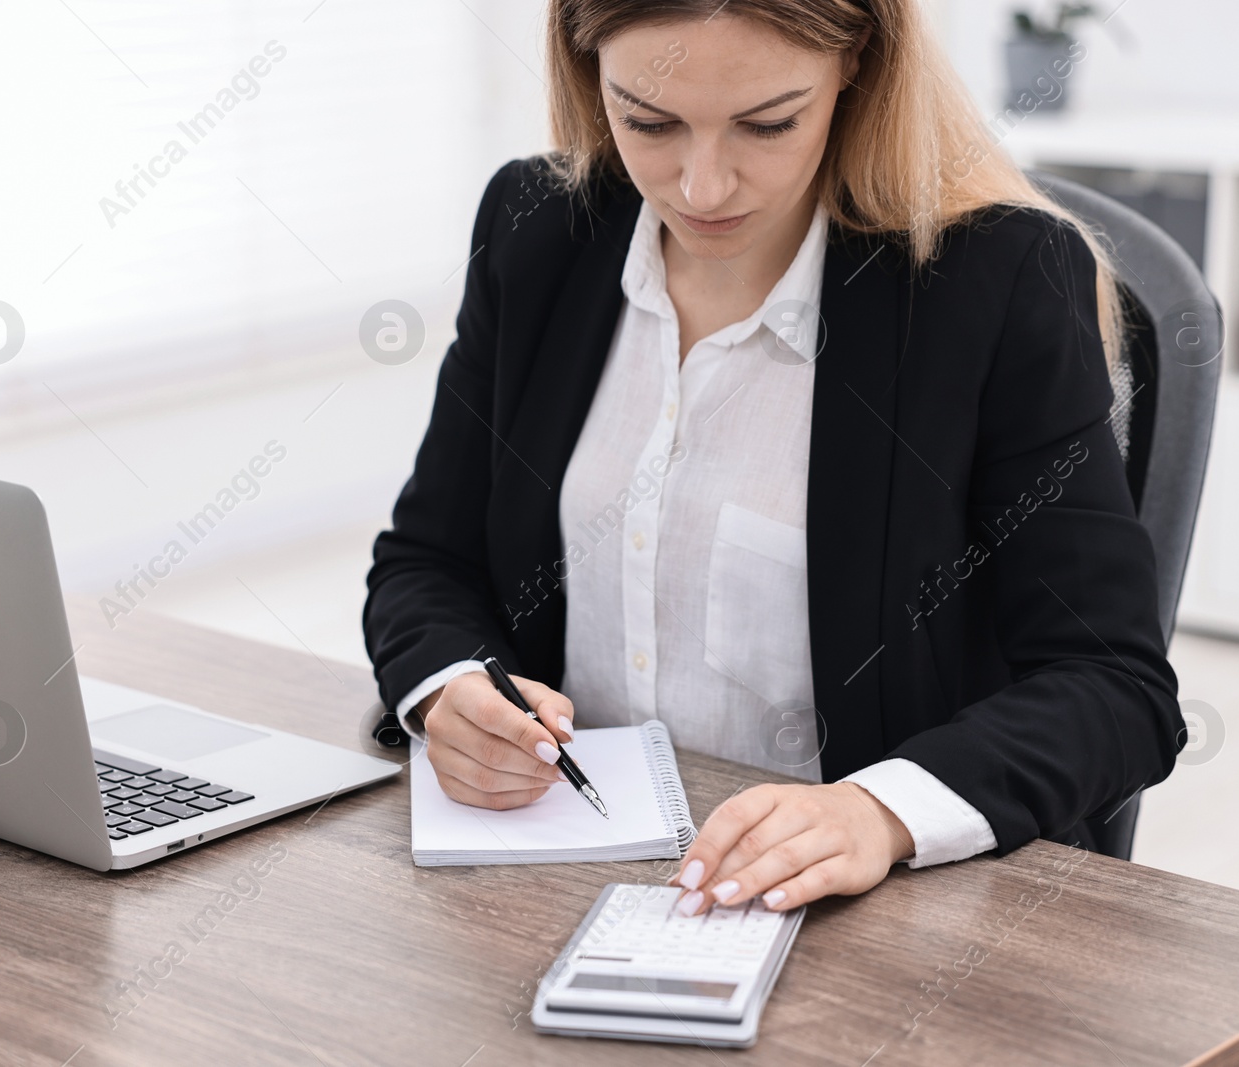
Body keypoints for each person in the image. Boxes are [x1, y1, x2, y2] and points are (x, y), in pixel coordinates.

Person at [363, 0, 1182, 917]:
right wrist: (449, 691)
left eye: (767, 124)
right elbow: (428, 561)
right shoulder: (539, 229)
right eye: (649, 121)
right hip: (551, 885)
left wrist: (877, 811)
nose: (702, 187)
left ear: (856, 71)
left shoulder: (991, 283)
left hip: (865, 921)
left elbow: (1116, 687)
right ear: (584, 71)